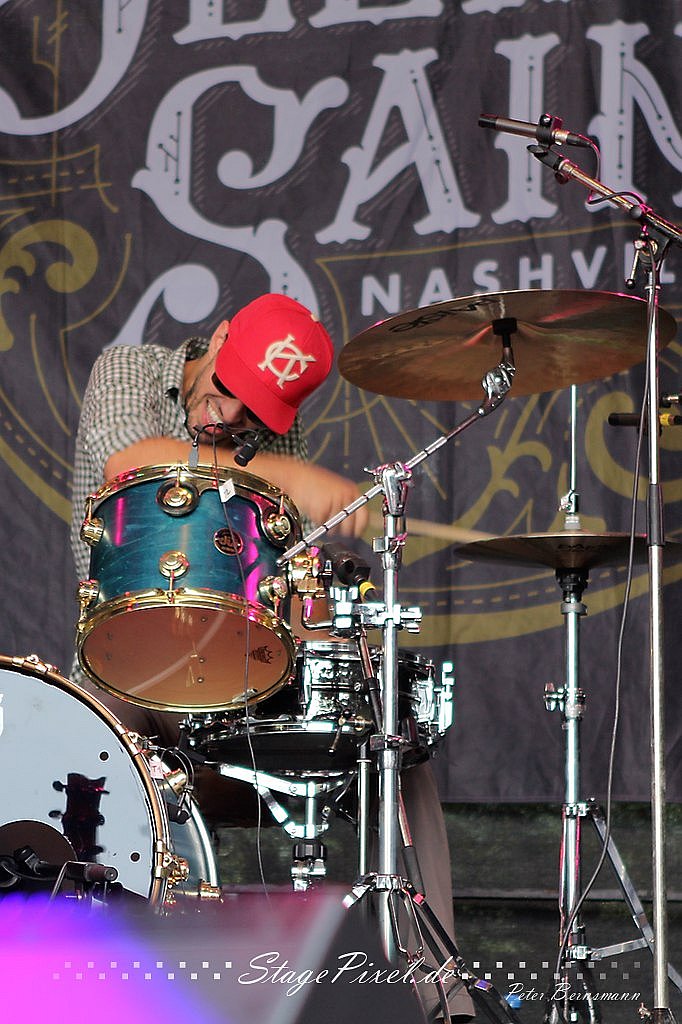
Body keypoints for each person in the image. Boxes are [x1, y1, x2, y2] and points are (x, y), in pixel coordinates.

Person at [70, 293, 474, 1020]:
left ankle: (440, 998)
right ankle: (90, 988)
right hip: (126, 666)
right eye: (225, 388)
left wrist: (321, 626)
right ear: (219, 336)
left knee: (389, 741)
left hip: (235, 680)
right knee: (79, 743)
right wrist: (299, 480)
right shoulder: (128, 370)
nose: (229, 415)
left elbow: (279, 579)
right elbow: (124, 462)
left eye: (252, 411)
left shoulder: (271, 431)